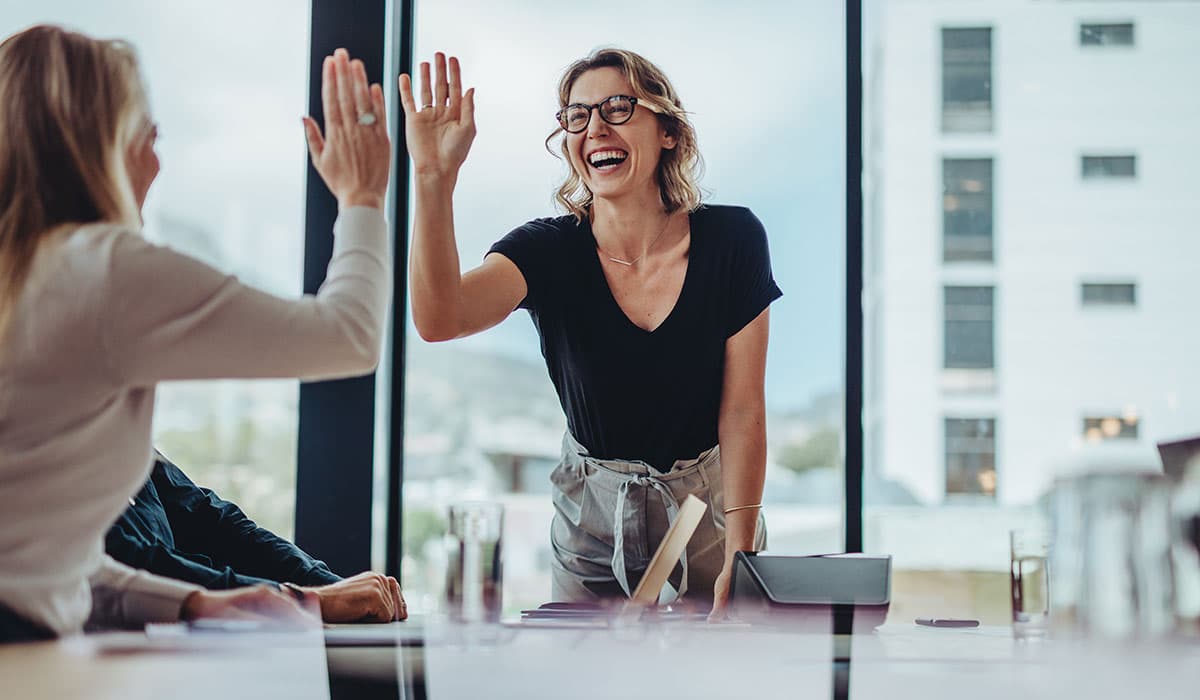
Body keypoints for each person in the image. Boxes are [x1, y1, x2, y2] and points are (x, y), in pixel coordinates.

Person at [0, 25, 392, 642]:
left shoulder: (22, 276)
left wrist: (191, 603)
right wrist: (363, 196)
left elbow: (34, 564)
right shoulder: (100, 267)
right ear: (96, 141)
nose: (157, 161)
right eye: (147, 134)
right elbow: (350, 336)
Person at [399, 49, 780, 618]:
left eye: (617, 107)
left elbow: (744, 409)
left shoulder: (734, 239)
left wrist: (742, 549)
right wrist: (433, 179)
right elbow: (439, 318)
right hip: (592, 517)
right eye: (576, 116)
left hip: (712, 512)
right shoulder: (546, 250)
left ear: (669, 131)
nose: (594, 126)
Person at [106, 452, 407, 623]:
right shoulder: (64, 432)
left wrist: (327, 584)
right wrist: (305, 600)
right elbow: (125, 564)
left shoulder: (120, 430)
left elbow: (212, 523)